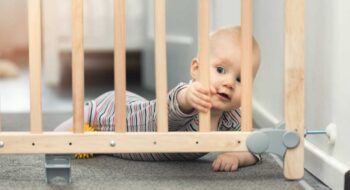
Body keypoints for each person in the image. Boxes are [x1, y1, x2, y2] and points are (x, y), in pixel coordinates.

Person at [55, 25, 261, 172]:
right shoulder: (188, 95)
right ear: (196, 70)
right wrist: (188, 97)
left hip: (132, 139)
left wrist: (237, 156)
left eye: (240, 78)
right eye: (220, 70)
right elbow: (171, 111)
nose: (229, 83)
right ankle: (51, 137)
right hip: (116, 111)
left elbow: (254, 147)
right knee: (70, 129)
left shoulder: (233, 118)